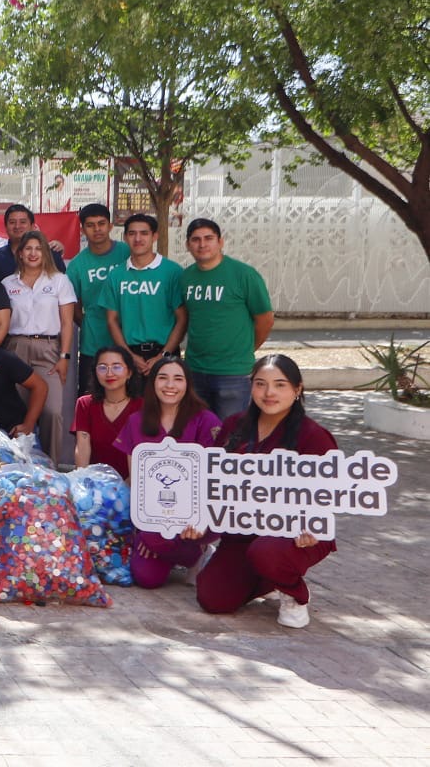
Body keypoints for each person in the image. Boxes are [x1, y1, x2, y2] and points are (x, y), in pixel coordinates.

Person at [191, 355, 337, 628]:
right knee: (213, 599)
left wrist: (312, 524)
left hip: (294, 536)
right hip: (241, 532)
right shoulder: (234, 425)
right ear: (251, 387)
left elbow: (328, 495)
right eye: (261, 384)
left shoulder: (313, 436)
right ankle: (266, 576)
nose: (269, 393)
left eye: (280, 385)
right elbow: (214, 483)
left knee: (266, 552)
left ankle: (294, 594)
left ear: (298, 389)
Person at [114, 356, 223, 590]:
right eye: (162, 378)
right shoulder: (136, 421)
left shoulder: (205, 420)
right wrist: (143, 531)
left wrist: (196, 520)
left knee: (162, 540)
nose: (170, 385)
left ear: (188, 384)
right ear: (152, 383)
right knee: (146, 578)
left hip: (197, 515)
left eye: (178, 379)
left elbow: (214, 478)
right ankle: (177, 552)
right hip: (155, 514)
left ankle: (198, 551)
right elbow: (136, 480)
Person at [178, 219, 275, 419]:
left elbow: (265, 319)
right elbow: (187, 317)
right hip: (195, 369)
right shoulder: (186, 277)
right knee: (199, 435)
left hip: (233, 374)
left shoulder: (244, 275)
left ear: (220, 242)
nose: (202, 244)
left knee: (230, 437)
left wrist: (247, 349)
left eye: (208, 238)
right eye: (195, 240)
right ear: (188, 245)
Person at [2, 230, 77, 463]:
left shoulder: (59, 281)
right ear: (20, 254)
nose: (33, 253)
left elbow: (67, 322)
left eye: (38, 248)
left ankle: (51, 469)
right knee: (15, 411)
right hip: (15, 349)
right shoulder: (7, 283)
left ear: (45, 253)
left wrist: (64, 356)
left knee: (52, 412)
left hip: (49, 350)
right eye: (28, 249)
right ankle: (16, 468)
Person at [99, 213, 184, 377]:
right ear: (125, 237)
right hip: (129, 354)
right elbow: (111, 320)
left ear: (155, 236)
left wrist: (163, 355)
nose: (138, 239)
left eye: (144, 233)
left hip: (165, 353)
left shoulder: (172, 272)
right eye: (132, 233)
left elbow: (182, 318)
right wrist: (129, 356)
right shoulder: (116, 275)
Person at [66, 203, 130, 396]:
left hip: (128, 341)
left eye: (101, 223)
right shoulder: (77, 265)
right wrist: (88, 324)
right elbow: (73, 305)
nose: (97, 229)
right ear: (82, 229)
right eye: (90, 225)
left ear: (110, 225)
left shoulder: (127, 254)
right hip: (93, 344)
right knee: (91, 399)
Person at [70, 346, 142, 475]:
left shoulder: (143, 406)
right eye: (102, 367)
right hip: (96, 484)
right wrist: (81, 481)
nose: (109, 373)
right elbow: (82, 447)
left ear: (129, 372)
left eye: (117, 367)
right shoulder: (85, 404)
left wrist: (131, 485)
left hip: (135, 484)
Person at [0, 204, 67, 281]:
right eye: (12, 222)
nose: (17, 226)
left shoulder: (51, 255)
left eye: (23, 222)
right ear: (6, 227)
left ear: (32, 226)